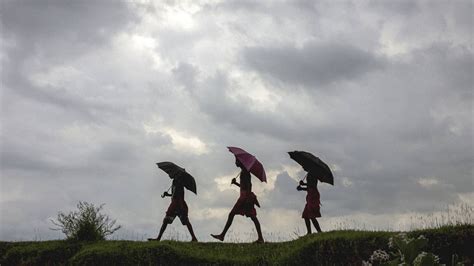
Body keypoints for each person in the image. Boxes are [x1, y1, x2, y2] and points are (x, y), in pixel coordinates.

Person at [211, 159, 264, 243]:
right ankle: (260, 238)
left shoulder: (245, 172)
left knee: (234, 214)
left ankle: (222, 235)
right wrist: (235, 183)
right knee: (253, 217)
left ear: (241, 162)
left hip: (244, 198)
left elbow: (249, 186)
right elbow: (244, 187)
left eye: (237, 161)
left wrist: (247, 199)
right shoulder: (244, 171)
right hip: (245, 197)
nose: (235, 162)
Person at [148, 172, 198, 242]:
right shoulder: (174, 181)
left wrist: (169, 194)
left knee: (185, 221)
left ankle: (194, 238)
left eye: (170, 174)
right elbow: (174, 194)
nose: (169, 175)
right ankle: (158, 238)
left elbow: (177, 194)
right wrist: (168, 194)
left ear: (176, 174)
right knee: (167, 220)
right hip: (175, 204)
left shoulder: (179, 182)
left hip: (179, 204)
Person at [297, 170, 323, 235]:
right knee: (306, 215)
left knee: (311, 215)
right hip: (310, 195)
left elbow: (313, 185)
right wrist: (302, 188)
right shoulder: (309, 173)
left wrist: (303, 184)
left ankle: (319, 231)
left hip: (313, 196)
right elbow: (309, 187)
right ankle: (309, 232)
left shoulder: (314, 173)